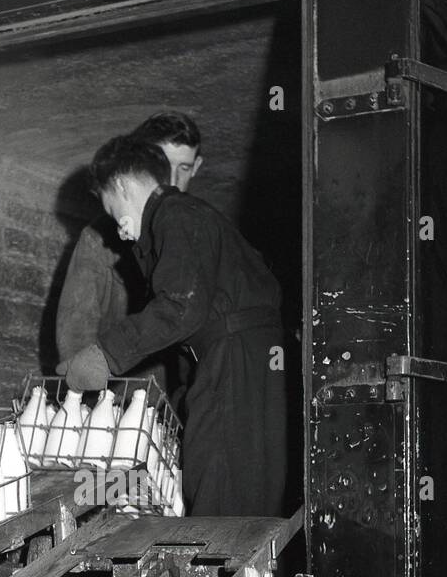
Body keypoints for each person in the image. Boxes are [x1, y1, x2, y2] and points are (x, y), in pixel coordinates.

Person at [63, 137, 287, 518]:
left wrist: (105, 355)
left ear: (121, 185)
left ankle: (217, 573)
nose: (119, 229)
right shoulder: (186, 217)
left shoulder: (177, 215)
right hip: (242, 359)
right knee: (238, 486)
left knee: (220, 484)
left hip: (234, 360)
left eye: (110, 207)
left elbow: (180, 305)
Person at [55, 111, 203, 395]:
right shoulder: (98, 240)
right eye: (162, 164)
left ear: (196, 167)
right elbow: (75, 333)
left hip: (184, 409)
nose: (171, 178)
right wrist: (90, 404)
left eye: (183, 168)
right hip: (118, 404)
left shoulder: (200, 231)